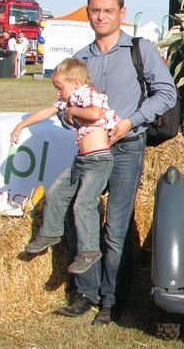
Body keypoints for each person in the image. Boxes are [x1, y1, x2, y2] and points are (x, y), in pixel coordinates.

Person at [50, 0, 176, 326]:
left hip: (126, 146)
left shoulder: (140, 50)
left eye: (108, 11)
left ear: (122, 13)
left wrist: (130, 121)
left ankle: (112, 300)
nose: (101, 16)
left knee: (116, 227)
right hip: (90, 151)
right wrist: (70, 117)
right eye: (95, 10)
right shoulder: (80, 59)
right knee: (79, 217)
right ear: (88, 12)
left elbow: (166, 93)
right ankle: (86, 293)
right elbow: (63, 107)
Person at [11, 58, 119, 275]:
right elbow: (47, 111)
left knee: (84, 204)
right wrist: (21, 125)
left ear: (76, 82)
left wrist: (73, 112)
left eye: (60, 87)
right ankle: (50, 232)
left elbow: (95, 113)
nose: (58, 93)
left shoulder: (87, 94)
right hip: (82, 160)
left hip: (98, 160)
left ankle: (89, 250)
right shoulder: (70, 100)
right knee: (55, 193)